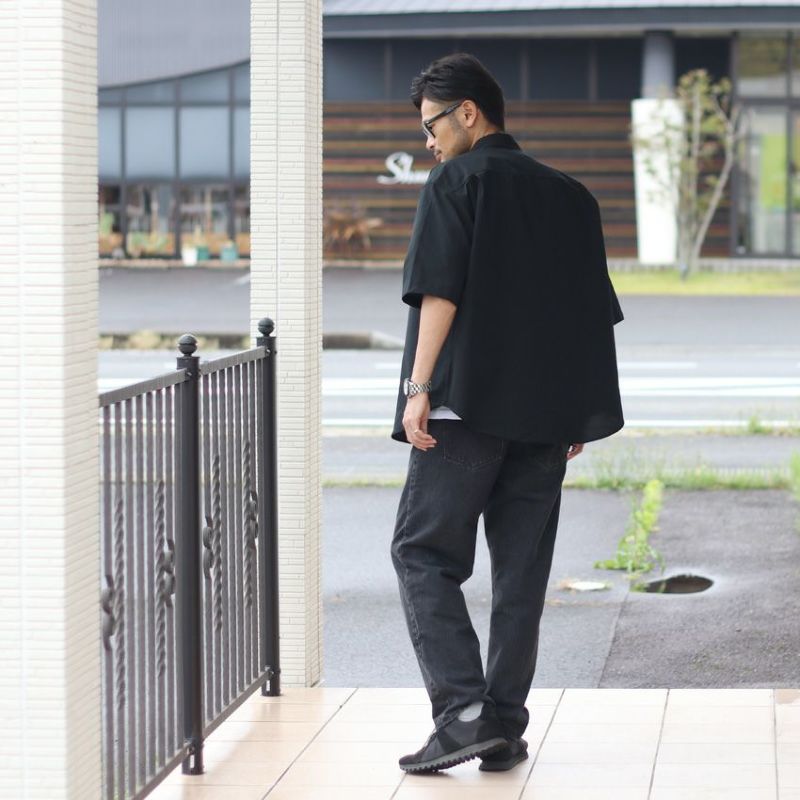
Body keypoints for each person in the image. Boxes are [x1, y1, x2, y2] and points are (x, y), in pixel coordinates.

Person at [389, 53, 625, 773]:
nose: (429, 141)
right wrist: (578, 414)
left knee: (423, 553)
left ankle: (463, 713)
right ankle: (504, 727)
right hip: (545, 421)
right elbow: (590, 315)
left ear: (468, 113)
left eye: (432, 125)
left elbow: (440, 291)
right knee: (521, 576)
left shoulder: (457, 181)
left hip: (463, 411)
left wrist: (418, 386)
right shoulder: (572, 197)